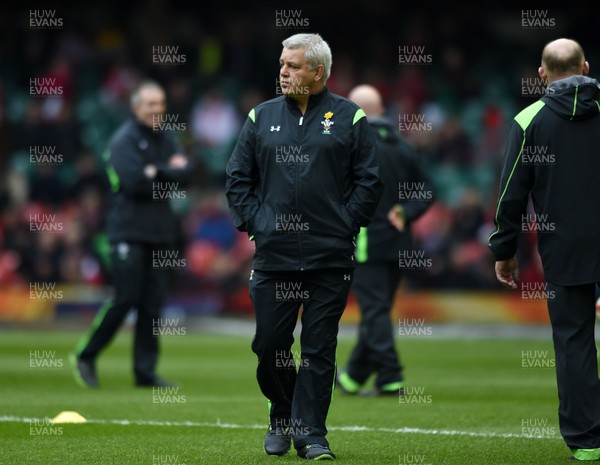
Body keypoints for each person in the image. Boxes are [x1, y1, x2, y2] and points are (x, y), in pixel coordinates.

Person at [225, 33, 382, 460]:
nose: (283, 71)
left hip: (329, 257)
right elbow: (238, 178)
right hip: (274, 256)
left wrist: (344, 226)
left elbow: (369, 181)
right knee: (270, 345)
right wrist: (258, 225)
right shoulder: (261, 116)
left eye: (292, 66)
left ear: (318, 72)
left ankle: (311, 434)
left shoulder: (350, 117)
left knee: (318, 349)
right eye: (281, 64)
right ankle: (282, 411)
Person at [489, 38, 600, 462]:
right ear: (586, 67)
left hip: (564, 248)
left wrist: (504, 249)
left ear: (541, 74)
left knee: (574, 342)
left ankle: (586, 440)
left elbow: (510, 195)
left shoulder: (528, 120)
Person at [71, 80, 193, 388]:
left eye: (161, 105)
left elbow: (187, 174)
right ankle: (85, 354)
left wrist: (156, 171)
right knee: (125, 298)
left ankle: (144, 371)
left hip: (159, 233)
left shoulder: (166, 138)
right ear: (135, 107)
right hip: (127, 231)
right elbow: (134, 182)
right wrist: (166, 171)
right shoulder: (123, 140)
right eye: (151, 104)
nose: (157, 110)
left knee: (152, 304)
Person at [336, 84, 434, 397]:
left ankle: (391, 377)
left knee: (375, 311)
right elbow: (427, 191)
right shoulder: (403, 147)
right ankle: (353, 376)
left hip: (367, 242)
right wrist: (407, 211)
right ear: (380, 111)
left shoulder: (353, 145)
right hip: (399, 244)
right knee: (378, 309)